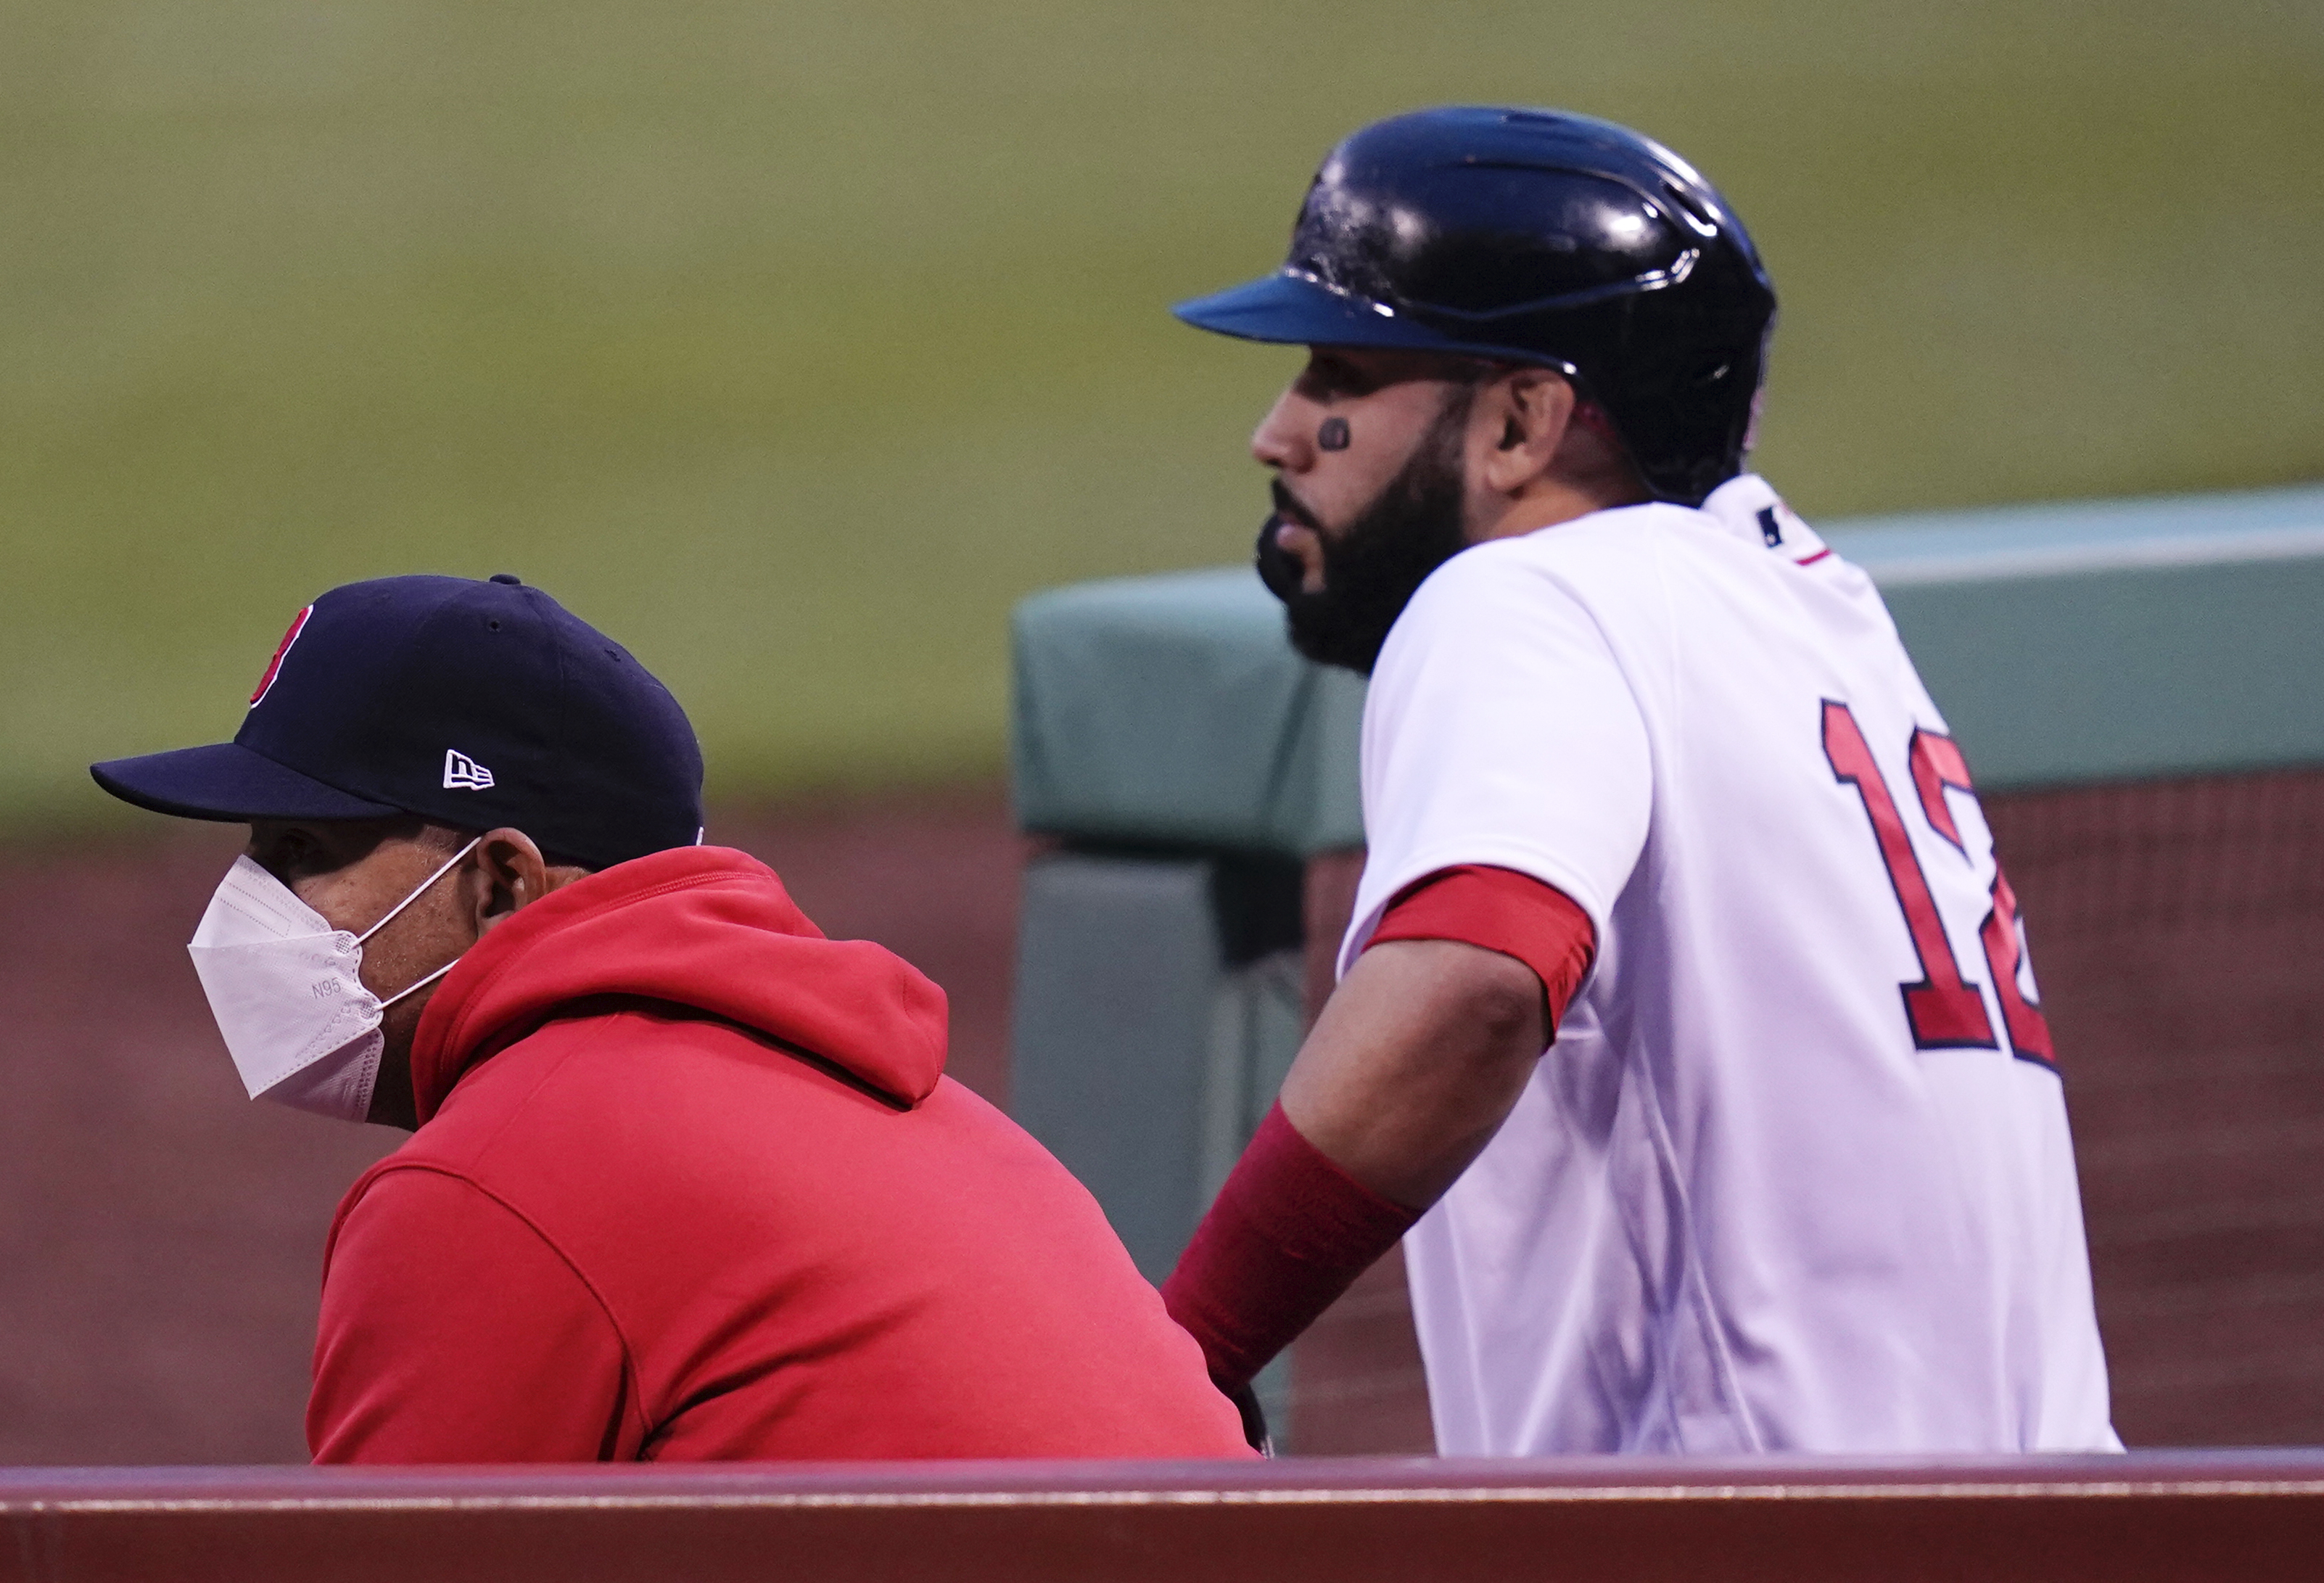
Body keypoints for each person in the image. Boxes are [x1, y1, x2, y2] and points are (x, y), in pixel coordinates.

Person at [1157, 107, 2117, 1454]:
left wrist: (1183, 1348)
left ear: (1523, 422)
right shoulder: (1820, 622)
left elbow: (1477, 975)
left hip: (1773, 1537)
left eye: (1339, 377)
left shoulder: (1531, 592)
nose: (1278, 431)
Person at [92, 572, 1251, 1463]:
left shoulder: (493, 1185)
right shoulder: (906, 1109)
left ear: (501, 881)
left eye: (303, 851)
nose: (248, 904)